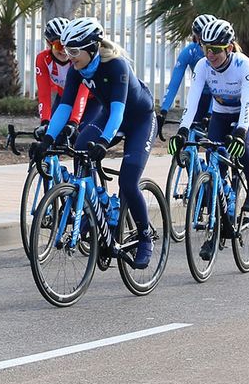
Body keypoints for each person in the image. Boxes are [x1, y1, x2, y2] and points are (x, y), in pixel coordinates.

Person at [35, 17, 158, 269]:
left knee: (127, 181)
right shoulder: (77, 69)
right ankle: (95, 211)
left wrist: (104, 141)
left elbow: (118, 112)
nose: (69, 57)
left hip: (138, 121)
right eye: (65, 50)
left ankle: (145, 237)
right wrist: (47, 139)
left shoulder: (116, 66)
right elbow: (64, 108)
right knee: (81, 148)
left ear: (92, 48)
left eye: (74, 51)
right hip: (109, 115)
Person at [170, 17, 249, 261]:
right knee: (215, 168)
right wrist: (182, 130)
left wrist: (242, 132)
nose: (209, 54)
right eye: (205, 48)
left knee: (241, 147)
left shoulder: (244, 65)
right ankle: (218, 227)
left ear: (229, 48)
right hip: (221, 111)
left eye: (216, 50)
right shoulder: (202, 66)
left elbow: (248, 103)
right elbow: (192, 101)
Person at [156, 14, 214, 130]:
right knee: (191, 131)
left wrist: (210, 113)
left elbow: (220, 86)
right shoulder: (189, 52)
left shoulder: (219, 54)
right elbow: (174, 84)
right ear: (195, 36)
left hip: (219, 95)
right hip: (200, 94)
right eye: (201, 36)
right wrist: (163, 111)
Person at [33, 16, 88, 128]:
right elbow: (44, 94)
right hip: (64, 98)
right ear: (49, 44)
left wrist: (74, 121)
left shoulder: (79, 58)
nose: (64, 50)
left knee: (80, 138)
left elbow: (83, 93)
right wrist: (45, 122)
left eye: (68, 45)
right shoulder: (43, 59)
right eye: (59, 45)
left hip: (90, 100)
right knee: (53, 135)